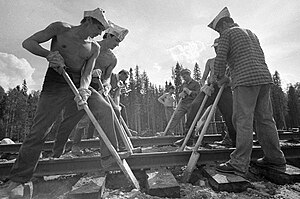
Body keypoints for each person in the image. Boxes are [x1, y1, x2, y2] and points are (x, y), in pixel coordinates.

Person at [0, 8, 109, 196]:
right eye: (99, 28)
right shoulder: (60, 29)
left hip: (77, 83)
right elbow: (28, 43)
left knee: (105, 108)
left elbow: (87, 72)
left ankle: (110, 161)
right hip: (56, 82)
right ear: (89, 21)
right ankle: (19, 178)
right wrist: (48, 55)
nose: (100, 34)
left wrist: (83, 90)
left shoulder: (94, 47)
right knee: (40, 130)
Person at [208, 7, 286, 174]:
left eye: (218, 29)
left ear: (222, 25)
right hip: (263, 78)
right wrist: (229, 74)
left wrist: (217, 77)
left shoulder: (226, 34)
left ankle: (239, 162)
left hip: (245, 81)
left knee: (242, 120)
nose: (219, 32)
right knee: (265, 120)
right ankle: (275, 159)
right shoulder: (250, 32)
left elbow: (220, 59)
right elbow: (247, 57)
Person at [54, 21, 129, 156]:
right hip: (77, 86)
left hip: (95, 89)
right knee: (72, 120)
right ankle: (59, 151)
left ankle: (111, 150)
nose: (117, 44)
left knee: (112, 111)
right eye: (116, 40)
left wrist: (106, 85)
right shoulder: (90, 46)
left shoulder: (112, 59)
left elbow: (107, 77)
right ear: (109, 36)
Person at [175, 38, 236, 147]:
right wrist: (204, 87)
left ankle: (233, 139)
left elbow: (235, 78)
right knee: (194, 106)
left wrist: (228, 82)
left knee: (229, 114)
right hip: (210, 88)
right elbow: (203, 78)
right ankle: (188, 137)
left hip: (224, 90)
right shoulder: (210, 61)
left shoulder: (231, 60)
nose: (217, 50)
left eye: (219, 47)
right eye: (215, 47)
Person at [166, 69, 200, 136]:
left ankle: (190, 134)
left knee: (190, 119)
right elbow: (179, 94)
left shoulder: (196, 84)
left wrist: (189, 92)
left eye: (185, 77)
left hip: (192, 104)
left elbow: (198, 95)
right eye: (183, 77)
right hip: (183, 104)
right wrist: (180, 94)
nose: (184, 78)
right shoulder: (183, 84)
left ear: (189, 75)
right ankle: (169, 132)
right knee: (176, 116)